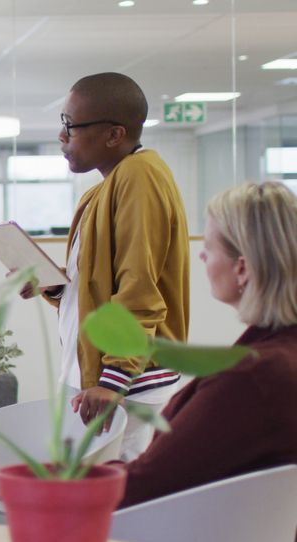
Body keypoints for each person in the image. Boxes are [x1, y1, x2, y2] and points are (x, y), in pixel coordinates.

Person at [22, 72, 190, 460]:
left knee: (114, 508)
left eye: (71, 126)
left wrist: (113, 382)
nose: (62, 138)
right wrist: (53, 284)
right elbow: (102, 283)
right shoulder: (106, 186)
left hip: (126, 387)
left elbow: (140, 289)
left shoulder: (139, 176)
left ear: (114, 134)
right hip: (102, 381)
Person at [117, 181, 297, 507]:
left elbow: (148, 485)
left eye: (209, 247)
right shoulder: (280, 354)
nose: (200, 254)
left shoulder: (254, 377)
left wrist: (62, 479)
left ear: (242, 268)